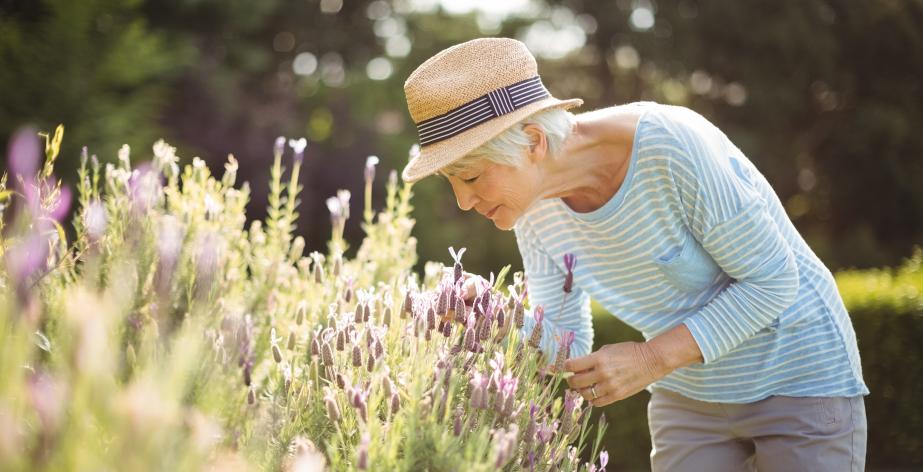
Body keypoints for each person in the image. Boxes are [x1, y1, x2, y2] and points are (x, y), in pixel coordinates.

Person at [400, 37, 868, 471]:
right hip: (688, 397)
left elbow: (774, 281)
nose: (463, 201)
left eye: (472, 177)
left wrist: (650, 359)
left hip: (799, 378)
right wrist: (495, 315)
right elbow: (568, 345)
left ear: (534, 143)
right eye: (452, 183)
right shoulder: (534, 213)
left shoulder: (671, 145)